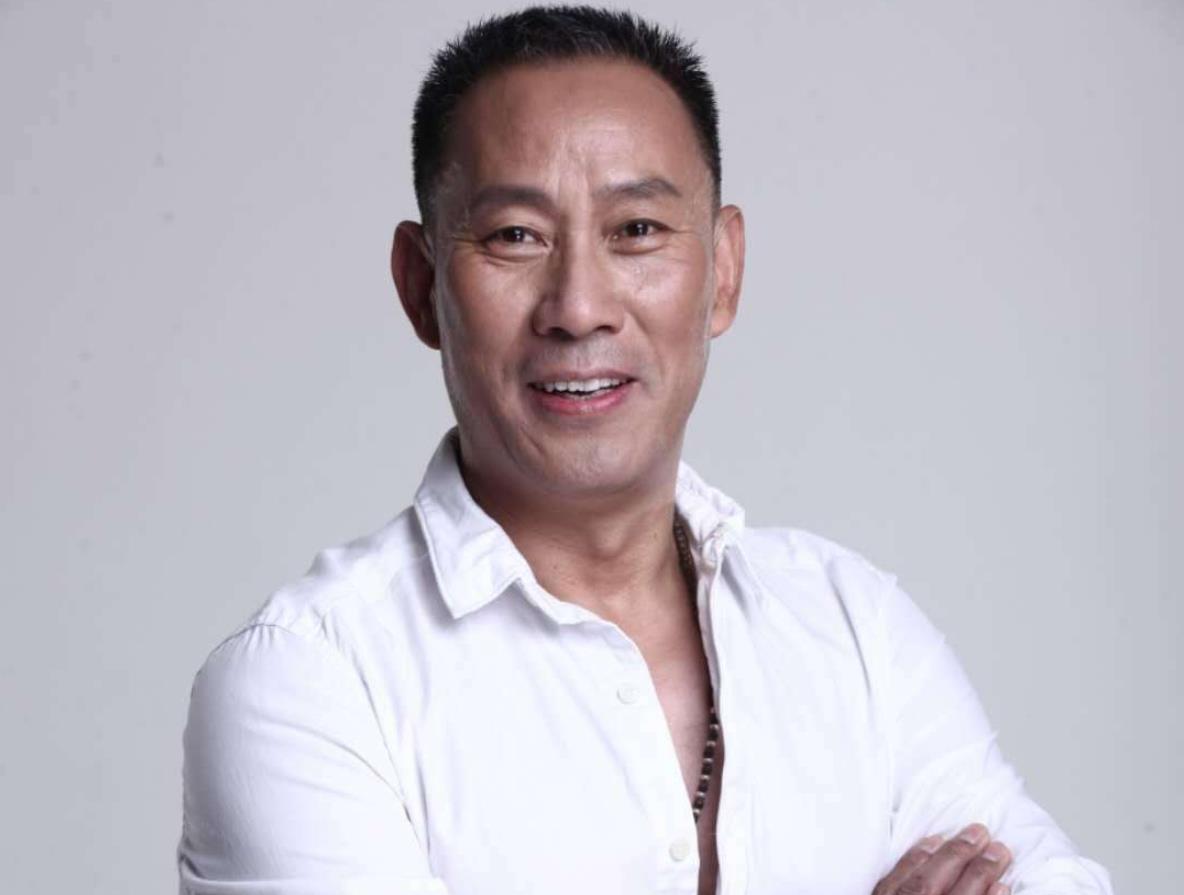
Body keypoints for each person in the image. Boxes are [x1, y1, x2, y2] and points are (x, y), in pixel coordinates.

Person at [177, 6, 1114, 895]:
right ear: (421, 287)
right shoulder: (309, 682)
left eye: (637, 231)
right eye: (515, 236)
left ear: (723, 271)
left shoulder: (855, 629)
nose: (580, 307)